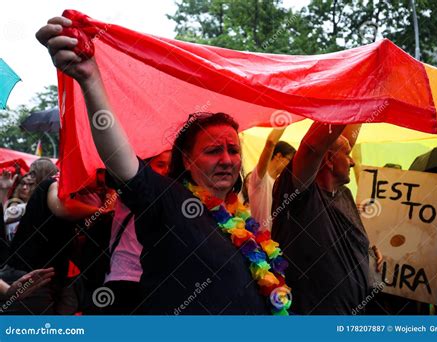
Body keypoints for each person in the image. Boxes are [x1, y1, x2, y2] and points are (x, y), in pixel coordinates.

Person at [36, 16, 291, 315]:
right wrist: (90, 78)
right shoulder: (167, 200)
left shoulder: (241, 219)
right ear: (186, 159)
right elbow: (120, 159)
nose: (226, 159)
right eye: (212, 151)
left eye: (233, 150)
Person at [272, 122, 371, 314]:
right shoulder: (300, 193)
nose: (352, 162)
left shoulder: (344, 195)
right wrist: (352, 94)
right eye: (347, 155)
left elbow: (344, 138)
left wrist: (368, 253)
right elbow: (312, 147)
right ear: (329, 159)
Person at [6, 158, 102, 314]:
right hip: (31, 276)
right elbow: (61, 209)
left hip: (50, 278)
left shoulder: (74, 195)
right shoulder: (53, 184)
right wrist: (101, 211)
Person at [103, 150, 171, 314]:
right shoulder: (132, 188)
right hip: (125, 280)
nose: (166, 171)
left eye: (170, 166)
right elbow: (114, 173)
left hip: (154, 281)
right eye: (160, 165)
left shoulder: (171, 198)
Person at [247, 129, 295, 231]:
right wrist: (286, 117)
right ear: (278, 156)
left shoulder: (280, 184)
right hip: (258, 242)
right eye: (290, 160)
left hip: (275, 244)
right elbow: (271, 142)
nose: (291, 167)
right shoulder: (261, 177)